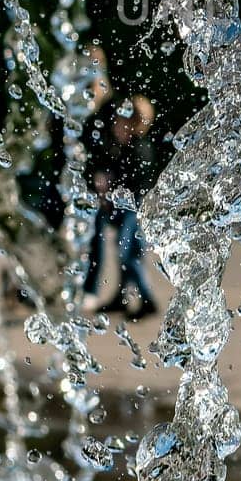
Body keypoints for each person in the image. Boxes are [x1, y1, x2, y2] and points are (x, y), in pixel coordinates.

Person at [84, 93, 159, 318]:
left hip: (134, 208)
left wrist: (110, 186)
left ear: (133, 124)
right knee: (125, 251)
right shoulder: (120, 147)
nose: (115, 124)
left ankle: (148, 300)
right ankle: (122, 297)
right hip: (125, 207)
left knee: (128, 253)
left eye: (120, 120)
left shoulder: (139, 149)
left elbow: (134, 182)